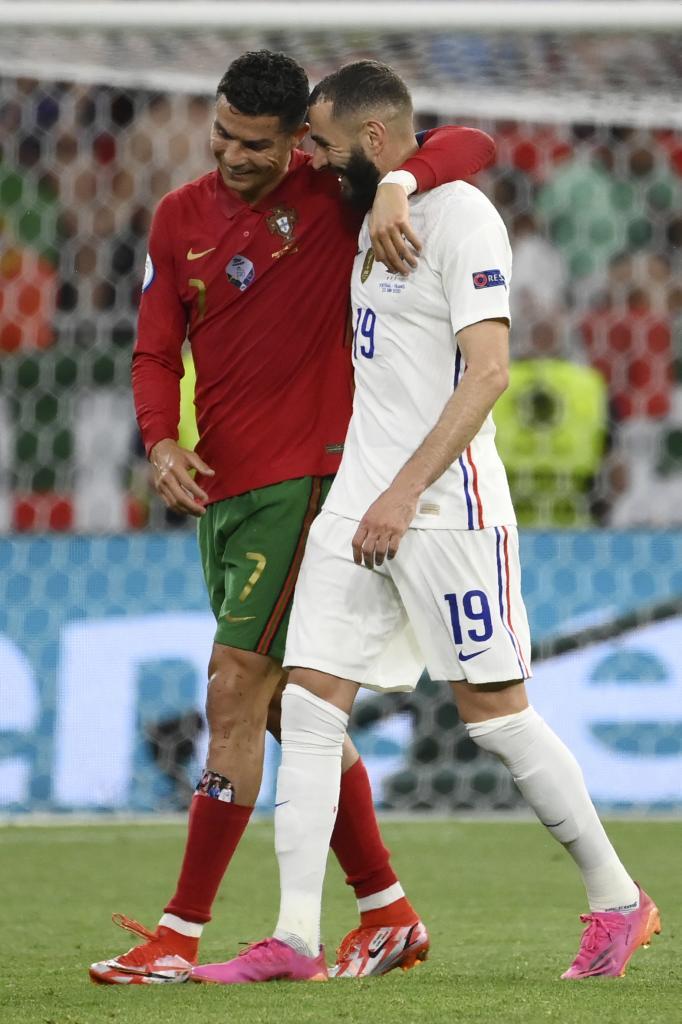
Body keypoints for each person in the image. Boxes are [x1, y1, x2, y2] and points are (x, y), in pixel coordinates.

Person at [192, 60, 661, 986]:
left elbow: (488, 373)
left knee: (496, 718)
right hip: (354, 505)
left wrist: (403, 493)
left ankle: (619, 900)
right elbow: (423, 146)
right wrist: (392, 183)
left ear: (372, 143)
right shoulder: (363, 210)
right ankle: (294, 937)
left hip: (444, 511)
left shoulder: (463, 217)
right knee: (312, 705)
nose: (315, 164)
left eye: (327, 147)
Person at [89, 50, 496, 985]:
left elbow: (473, 143)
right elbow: (156, 352)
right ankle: (389, 911)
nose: (231, 154)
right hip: (223, 493)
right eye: (222, 135)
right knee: (284, 711)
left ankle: (178, 934)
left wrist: (396, 183)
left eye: (254, 144)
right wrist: (159, 440)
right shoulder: (176, 219)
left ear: (293, 142)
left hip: (308, 483)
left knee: (235, 686)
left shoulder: (332, 190)